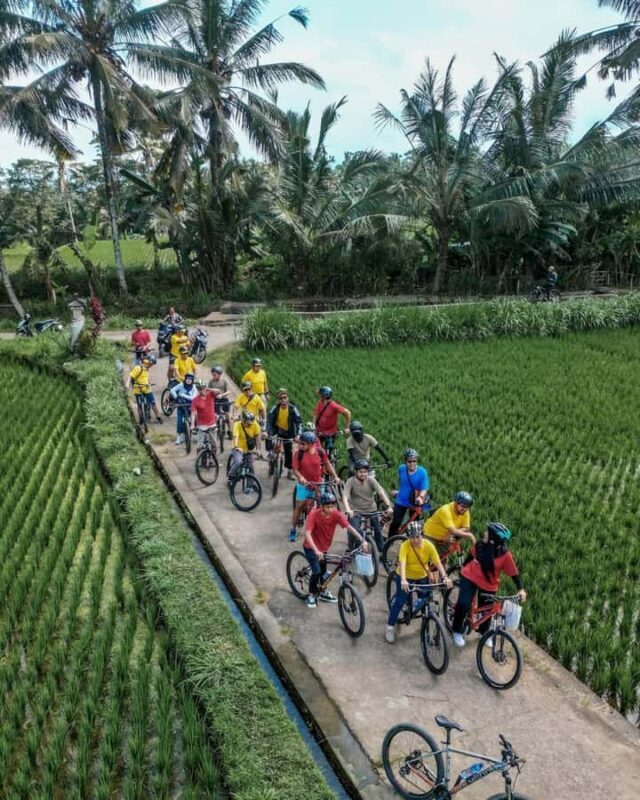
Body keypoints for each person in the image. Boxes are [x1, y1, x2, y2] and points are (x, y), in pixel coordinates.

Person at [451, 522, 527, 648]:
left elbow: (514, 573)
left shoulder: (505, 555)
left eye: (488, 532)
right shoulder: (480, 545)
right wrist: (462, 569)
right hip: (470, 576)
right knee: (464, 603)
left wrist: (520, 589)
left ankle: (484, 633)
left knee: (488, 610)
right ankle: (457, 631)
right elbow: (470, 557)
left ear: (494, 539)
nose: (484, 533)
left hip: (488, 583)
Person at [385, 521, 451, 643]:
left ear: (422, 535)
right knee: (400, 601)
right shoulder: (405, 545)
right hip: (405, 576)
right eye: (412, 537)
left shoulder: (429, 546)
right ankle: (389, 627)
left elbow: (437, 562)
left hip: (422, 576)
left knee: (425, 601)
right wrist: (404, 579)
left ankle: (425, 626)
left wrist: (445, 577)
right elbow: (402, 563)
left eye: (418, 536)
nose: (415, 540)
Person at [303, 492, 367, 608]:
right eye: (328, 506)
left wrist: (362, 539)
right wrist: (316, 550)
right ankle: (311, 595)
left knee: (323, 572)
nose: (331, 509)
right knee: (317, 571)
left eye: (332, 506)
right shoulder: (314, 515)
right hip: (311, 547)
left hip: (324, 548)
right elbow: (307, 533)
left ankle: (322, 592)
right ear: (321, 506)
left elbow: (348, 527)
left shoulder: (336, 514)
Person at [290, 430, 340, 542]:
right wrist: (301, 478)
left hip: (318, 483)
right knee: (299, 506)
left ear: (312, 444)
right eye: (300, 443)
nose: (300, 445)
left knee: (321, 507)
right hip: (305, 485)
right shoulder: (299, 454)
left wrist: (335, 476)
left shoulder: (320, 452)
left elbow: (327, 464)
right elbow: (295, 469)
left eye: (303, 443)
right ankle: (293, 529)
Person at [343, 458, 393, 552]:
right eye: (361, 472)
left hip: (371, 509)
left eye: (365, 472)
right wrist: (348, 509)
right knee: (353, 528)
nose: (363, 474)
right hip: (355, 510)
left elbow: (381, 493)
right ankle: (351, 547)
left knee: (377, 530)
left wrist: (388, 506)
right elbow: (345, 496)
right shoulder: (350, 481)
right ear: (356, 472)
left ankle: (381, 551)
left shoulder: (371, 480)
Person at [387, 448, 430, 537]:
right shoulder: (401, 469)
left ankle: (410, 544)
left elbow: (424, 488)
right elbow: (402, 482)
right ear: (405, 461)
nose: (412, 464)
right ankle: (388, 541)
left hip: (414, 501)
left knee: (414, 526)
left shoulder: (422, 472)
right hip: (401, 500)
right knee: (396, 522)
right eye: (409, 461)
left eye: (414, 461)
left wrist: (421, 497)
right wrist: (399, 491)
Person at [423, 491, 476, 557]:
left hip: (445, 539)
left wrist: (450, 534)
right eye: (463, 506)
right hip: (430, 535)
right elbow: (453, 530)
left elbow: (466, 528)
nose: (465, 509)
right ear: (456, 503)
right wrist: (470, 535)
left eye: (467, 507)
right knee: (426, 556)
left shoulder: (465, 512)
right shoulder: (445, 510)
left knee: (443, 559)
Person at [266, 388, 302, 480]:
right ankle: (271, 461)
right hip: (277, 431)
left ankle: (289, 472)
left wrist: (298, 434)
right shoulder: (275, 408)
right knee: (271, 446)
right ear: (279, 400)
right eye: (281, 398)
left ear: (288, 398)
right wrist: (267, 431)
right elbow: (269, 420)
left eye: (284, 397)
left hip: (288, 433)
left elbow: (299, 422)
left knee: (289, 452)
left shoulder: (293, 409)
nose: (283, 400)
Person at [313, 386, 351, 459]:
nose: (319, 395)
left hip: (330, 433)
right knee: (316, 449)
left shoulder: (333, 405)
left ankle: (330, 462)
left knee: (329, 450)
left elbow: (348, 413)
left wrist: (347, 427)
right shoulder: (320, 403)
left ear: (323, 396)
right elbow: (315, 415)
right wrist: (313, 426)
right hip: (319, 431)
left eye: (320, 394)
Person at [229, 410, 262, 482]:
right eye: (248, 424)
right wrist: (236, 447)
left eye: (251, 423)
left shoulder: (255, 424)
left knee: (251, 467)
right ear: (243, 421)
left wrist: (258, 449)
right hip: (238, 447)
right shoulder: (237, 425)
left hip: (248, 449)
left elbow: (257, 437)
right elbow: (235, 437)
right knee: (238, 462)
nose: (251, 425)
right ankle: (231, 476)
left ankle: (251, 485)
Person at [129, 355, 163, 424]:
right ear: (148, 362)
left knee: (153, 403)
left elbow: (145, 377)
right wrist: (127, 383)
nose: (152, 366)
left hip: (146, 388)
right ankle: (141, 418)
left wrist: (148, 382)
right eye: (151, 364)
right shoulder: (138, 368)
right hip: (137, 388)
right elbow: (131, 375)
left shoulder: (147, 368)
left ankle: (158, 417)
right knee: (139, 404)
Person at [169, 372, 197, 445]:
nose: (188, 381)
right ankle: (179, 437)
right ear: (185, 379)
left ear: (192, 380)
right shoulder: (181, 385)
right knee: (179, 422)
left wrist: (183, 395)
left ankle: (191, 431)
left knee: (195, 418)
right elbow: (172, 390)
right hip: (181, 406)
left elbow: (193, 398)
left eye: (190, 379)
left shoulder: (194, 387)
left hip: (190, 406)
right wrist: (176, 397)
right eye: (187, 379)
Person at [190, 380, 217, 450]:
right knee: (199, 446)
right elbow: (193, 413)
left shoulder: (210, 394)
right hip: (201, 424)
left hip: (212, 423)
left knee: (214, 444)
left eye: (204, 388)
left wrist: (209, 389)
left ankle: (214, 458)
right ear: (198, 390)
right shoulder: (195, 400)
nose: (202, 390)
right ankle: (199, 458)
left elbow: (219, 391)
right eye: (200, 389)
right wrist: (192, 424)